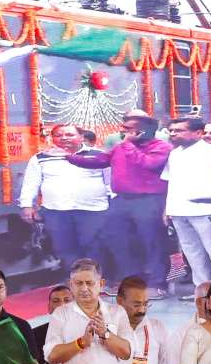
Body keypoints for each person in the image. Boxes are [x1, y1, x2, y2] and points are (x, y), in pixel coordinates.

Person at [68, 116, 173, 296]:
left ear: (141, 131)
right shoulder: (121, 146)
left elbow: (149, 164)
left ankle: (158, 284)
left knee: (151, 242)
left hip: (149, 200)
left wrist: (128, 145)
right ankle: (131, 279)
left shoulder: (161, 147)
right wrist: (68, 158)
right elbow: (100, 161)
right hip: (122, 200)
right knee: (118, 240)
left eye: (127, 128)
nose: (122, 131)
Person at [19, 124, 111, 272]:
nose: (63, 138)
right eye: (58, 135)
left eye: (69, 135)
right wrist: (26, 205)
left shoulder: (99, 155)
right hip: (56, 212)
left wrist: (113, 205)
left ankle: (95, 280)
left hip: (93, 211)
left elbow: (110, 182)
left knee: (93, 248)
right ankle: (74, 279)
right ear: (52, 138)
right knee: (65, 249)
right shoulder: (40, 158)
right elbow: (31, 183)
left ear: (81, 137)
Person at [162, 117, 211, 286]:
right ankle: (202, 289)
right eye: (171, 130)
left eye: (179, 130)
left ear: (198, 133)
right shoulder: (174, 153)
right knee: (192, 253)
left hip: (206, 211)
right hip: (179, 210)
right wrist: (167, 209)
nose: (173, 134)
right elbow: (171, 182)